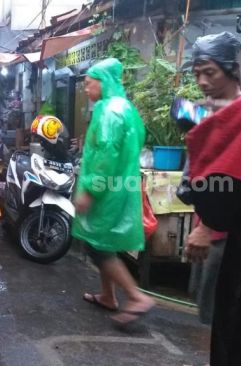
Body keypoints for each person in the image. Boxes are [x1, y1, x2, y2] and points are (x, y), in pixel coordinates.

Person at [181, 32, 241, 365]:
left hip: (235, 237)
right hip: (218, 232)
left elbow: (235, 177)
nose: (202, 81)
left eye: (209, 72)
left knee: (235, 323)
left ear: (230, 69)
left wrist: (207, 226)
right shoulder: (206, 112)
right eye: (197, 73)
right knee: (221, 319)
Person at [72, 58, 155, 325]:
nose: (86, 89)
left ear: (102, 81)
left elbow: (105, 154)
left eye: (88, 83)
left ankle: (135, 296)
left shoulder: (108, 110)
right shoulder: (127, 107)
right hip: (122, 185)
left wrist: (91, 190)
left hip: (106, 189)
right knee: (104, 242)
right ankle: (108, 296)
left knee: (98, 246)